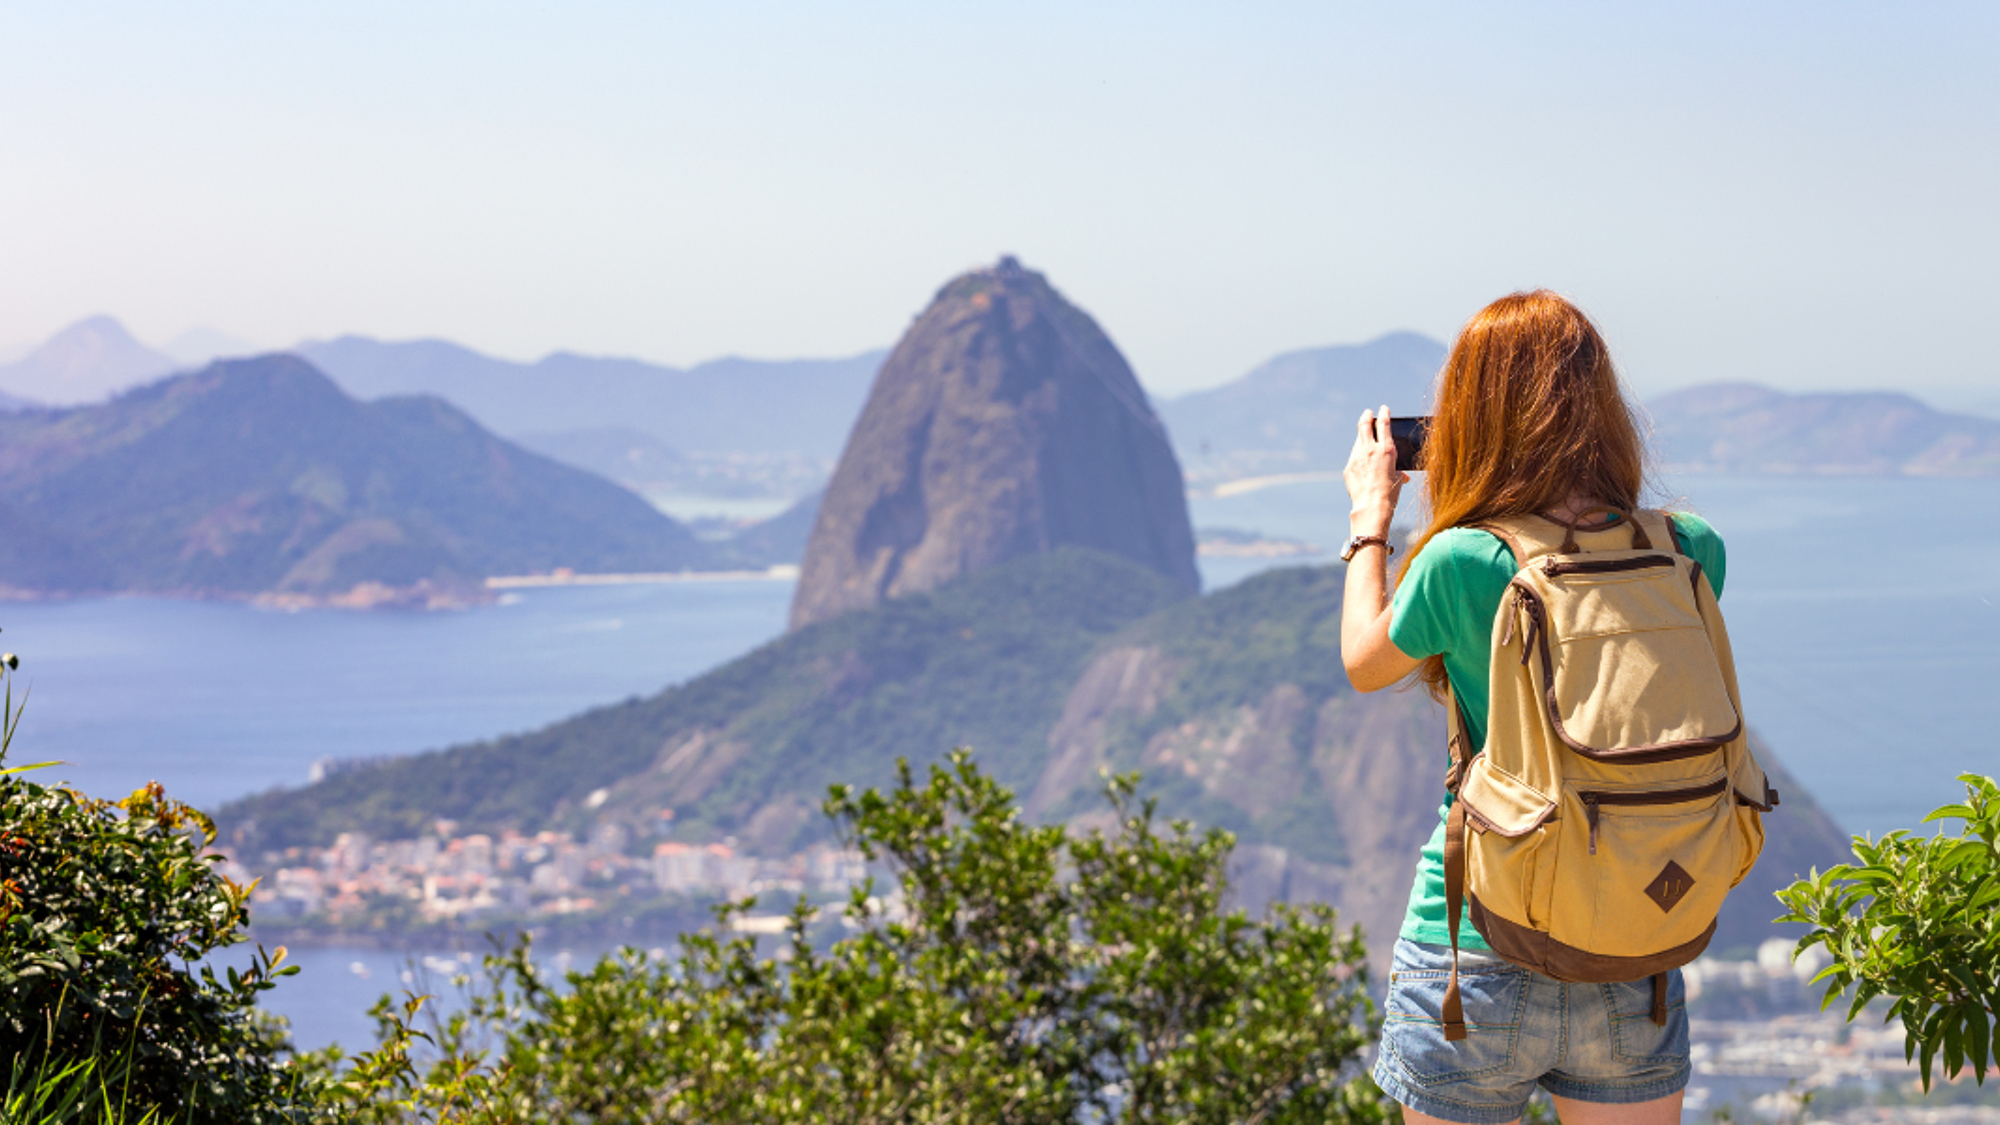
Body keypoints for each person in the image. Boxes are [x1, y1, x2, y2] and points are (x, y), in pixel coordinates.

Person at [1339, 290, 1726, 1125]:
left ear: (1473, 417)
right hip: (1636, 927)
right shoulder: (1690, 548)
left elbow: (1363, 663)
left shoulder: (1463, 560)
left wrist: (1373, 520)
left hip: (1474, 941)